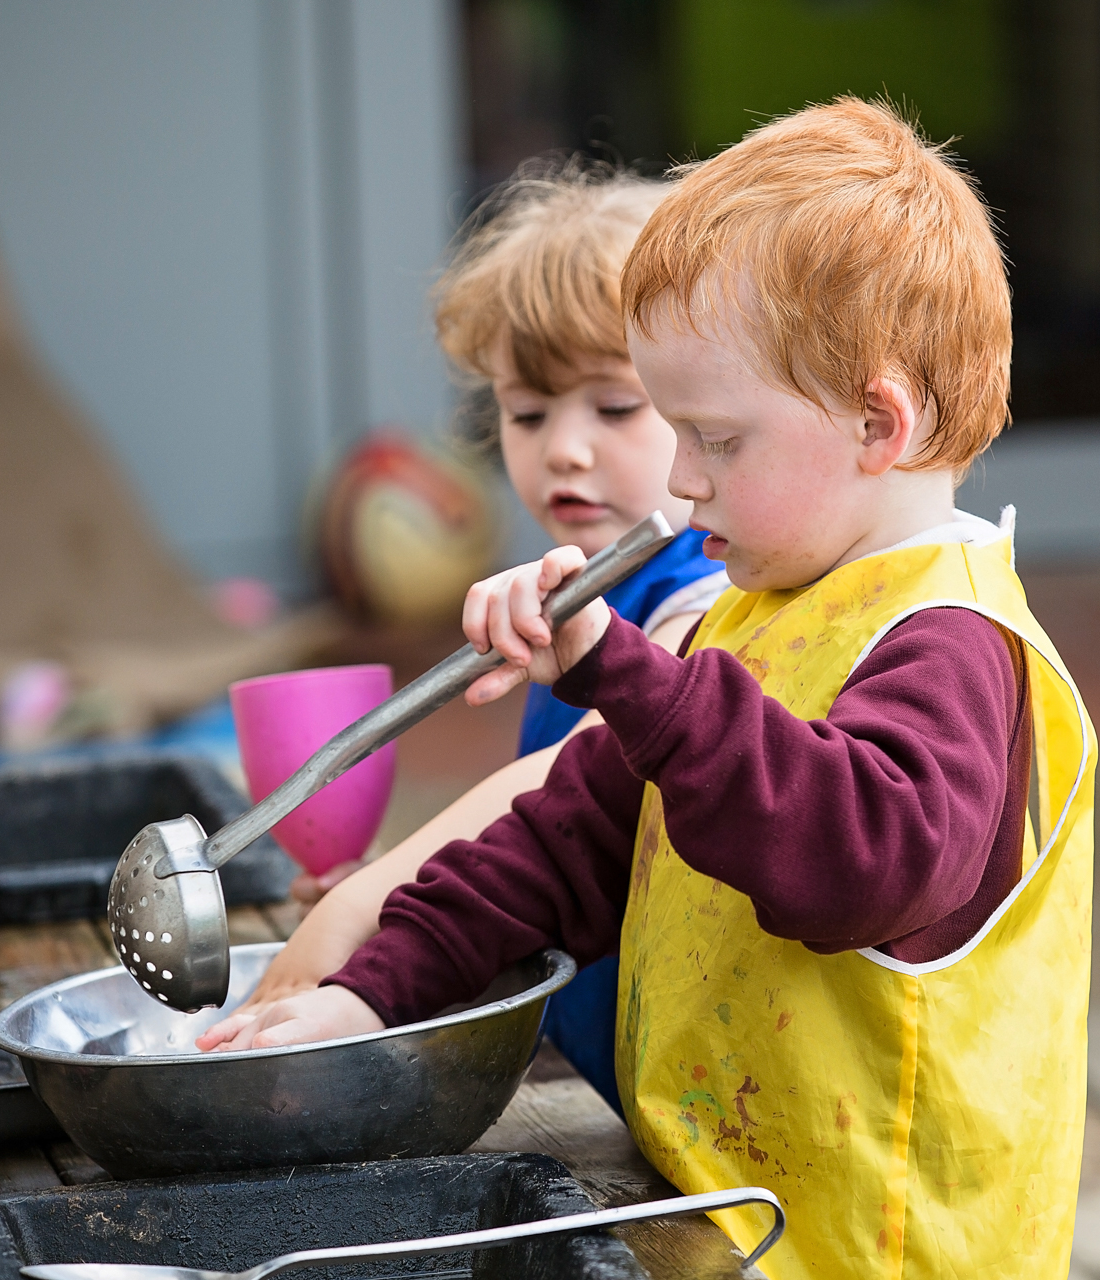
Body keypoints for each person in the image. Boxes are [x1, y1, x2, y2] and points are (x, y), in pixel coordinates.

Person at [203, 99, 1096, 1280]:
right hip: (731, 1217)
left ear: (879, 422)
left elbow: (861, 859)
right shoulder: (763, 609)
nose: (680, 477)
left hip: (873, 1250)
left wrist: (631, 676)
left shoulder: (955, 645)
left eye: (716, 439)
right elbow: (564, 842)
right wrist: (371, 997)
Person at [199, 162, 727, 1114]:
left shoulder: (710, 598)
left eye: (614, 407)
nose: (563, 447)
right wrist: (421, 898)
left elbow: (564, 784)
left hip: (691, 1094)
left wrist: (372, 907)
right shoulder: (579, 584)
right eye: (526, 412)